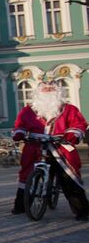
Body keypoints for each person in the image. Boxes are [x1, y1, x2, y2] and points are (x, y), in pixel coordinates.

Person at [11, 81, 88, 220]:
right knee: (26, 175)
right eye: (44, 90)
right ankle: (21, 205)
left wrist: (72, 134)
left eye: (51, 89)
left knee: (68, 176)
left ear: (58, 92)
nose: (48, 92)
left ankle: (82, 210)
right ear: (37, 93)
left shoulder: (69, 109)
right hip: (36, 146)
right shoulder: (28, 111)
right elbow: (19, 124)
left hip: (60, 147)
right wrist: (19, 133)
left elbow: (79, 124)